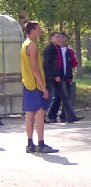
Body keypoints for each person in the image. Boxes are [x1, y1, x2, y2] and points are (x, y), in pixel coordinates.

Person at [21, 21, 58, 153]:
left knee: (30, 114)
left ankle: (30, 144)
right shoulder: (32, 45)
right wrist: (43, 87)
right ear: (32, 30)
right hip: (35, 84)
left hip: (27, 83)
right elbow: (35, 68)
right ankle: (41, 143)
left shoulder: (24, 44)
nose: (40, 31)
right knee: (41, 112)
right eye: (38, 28)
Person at [43, 32, 82, 124]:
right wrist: (55, 75)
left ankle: (71, 116)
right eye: (57, 37)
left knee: (64, 96)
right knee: (47, 96)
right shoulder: (49, 49)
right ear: (51, 38)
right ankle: (43, 116)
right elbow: (49, 64)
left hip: (60, 76)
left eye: (60, 37)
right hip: (51, 77)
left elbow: (65, 63)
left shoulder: (58, 49)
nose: (59, 39)